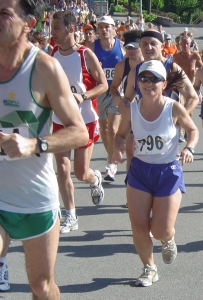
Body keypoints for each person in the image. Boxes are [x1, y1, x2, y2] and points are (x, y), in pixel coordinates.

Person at [0, 0, 88, 296]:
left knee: (42, 286)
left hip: (33, 198)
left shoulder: (43, 68)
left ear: (29, 24)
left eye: (4, 13)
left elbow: (78, 133)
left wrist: (33, 144)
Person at [113, 60, 199, 286]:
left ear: (164, 84)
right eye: (143, 78)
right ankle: (149, 268)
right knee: (139, 226)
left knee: (160, 230)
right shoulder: (131, 109)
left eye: (154, 79)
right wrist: (117, 149)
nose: (148, 83)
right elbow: (121, 134)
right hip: (140, 171)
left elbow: (193, 130)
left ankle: (168, 238)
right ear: (137, 82)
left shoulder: (173, 107)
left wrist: (189, 148)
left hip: (168, 171)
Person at [50, 10, 108, 233]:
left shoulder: (85, 55)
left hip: (84, 119)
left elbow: (103, 85)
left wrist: (82, 96)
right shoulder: (52, 54)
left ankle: (94, 180)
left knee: (80, 173)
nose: (52, 32)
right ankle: (70, 215)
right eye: (52, 27)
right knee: (62, 169)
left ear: (71, 29)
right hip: (59, 119)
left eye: (56, 28)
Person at [122, 30, 198, 118]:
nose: (149, 47)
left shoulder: (172, 68)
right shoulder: (135, 71)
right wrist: (123, 104)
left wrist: (178, 118)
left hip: (169, 127)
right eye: (144, 44)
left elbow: (193, 98)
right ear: (140, 47)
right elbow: (127, 99)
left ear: (162, 46)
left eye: (153, 43)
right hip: (144, 126)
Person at [89, 15, 125, 182]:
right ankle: (111, 155)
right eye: (101, 27)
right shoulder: (91, 47)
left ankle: (111, 164)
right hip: (99, 92)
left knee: (112, 128)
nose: (103, 30)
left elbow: (130, 65)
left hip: (116, 91)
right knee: (103, 129)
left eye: (107, 27)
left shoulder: (121, 47)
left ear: (113, 29)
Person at [110, 30, 144, 172]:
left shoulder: (150, 65)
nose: (131, 51)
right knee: (131, 152)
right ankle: (131, 182)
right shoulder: (121, 66)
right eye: (128, 47)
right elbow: (113, 87)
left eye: (134, 47)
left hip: (149, 113)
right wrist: (117, 97)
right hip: (131, 114)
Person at [172, 35, 203, 142]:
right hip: (179, 85)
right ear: (180, 44)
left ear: (191, 44)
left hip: (192, 86)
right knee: (180, 106)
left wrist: (196, 73)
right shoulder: (176, 57)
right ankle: (180, 132)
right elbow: (171, 70)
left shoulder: (195, 55)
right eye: (183, 43)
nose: (186, 45)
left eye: (187, 43)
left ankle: (186, 129)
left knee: (189, 110)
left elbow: (202, 68)